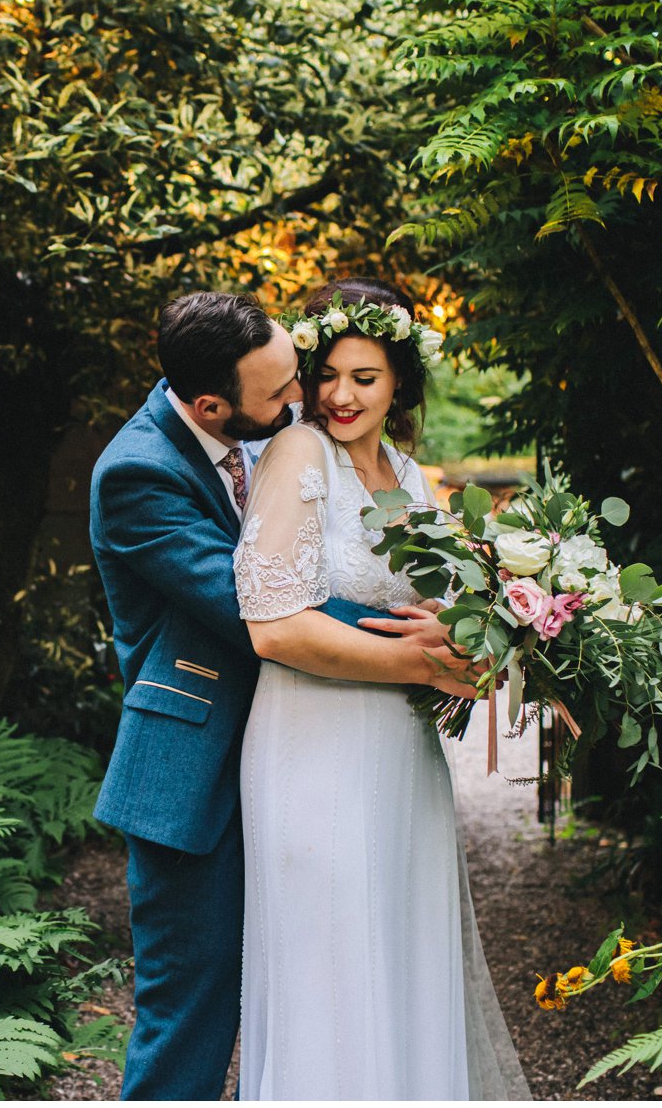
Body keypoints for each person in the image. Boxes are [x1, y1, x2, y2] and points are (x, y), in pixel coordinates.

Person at [89, 291, 484, 1101]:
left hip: (313, 746)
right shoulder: (137, 473)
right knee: (191, 1011)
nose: (303, 400)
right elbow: (255, 609)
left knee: (326, 983)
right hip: (195, 768)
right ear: (211, 404)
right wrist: (420, 647)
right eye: (281, 393)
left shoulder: (294, 442)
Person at [235, 278, 529, 1099]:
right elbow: (272, 624)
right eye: (327, 373)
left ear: (400, 379)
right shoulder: (299, 454)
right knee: (332, 957)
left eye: (363, 377)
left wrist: (481, 639)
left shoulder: (406, 470)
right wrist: (418, 662)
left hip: (403, 753)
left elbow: (437, 601)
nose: (339, 394)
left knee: (400, 945)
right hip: (313, 745)